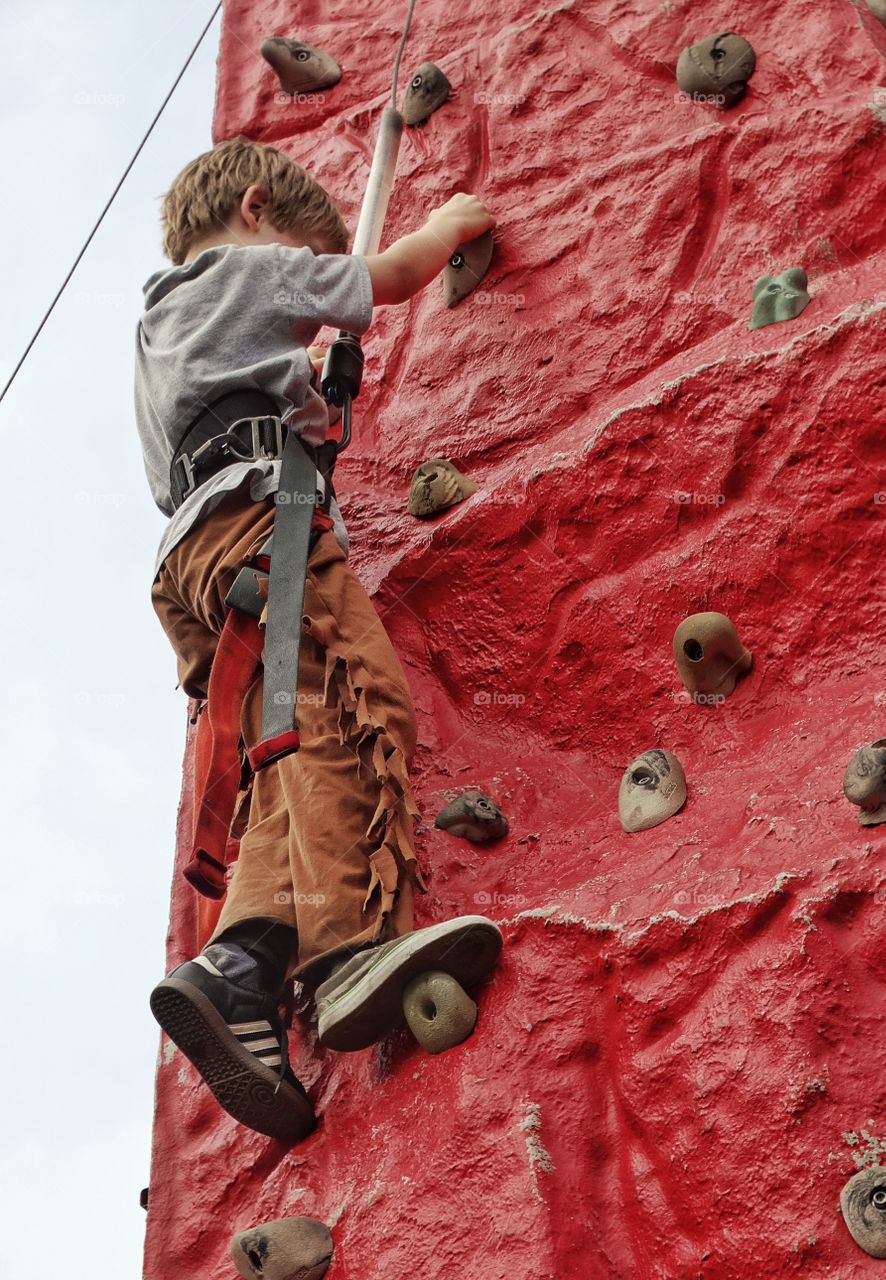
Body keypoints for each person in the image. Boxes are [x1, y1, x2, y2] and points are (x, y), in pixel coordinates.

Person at [135, 137, 503, 1144]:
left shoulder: (162, 326)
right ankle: (347, 949)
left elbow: (256, 400)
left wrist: (316, 399)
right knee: (351, 702)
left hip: (199, 562)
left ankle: (242, 968)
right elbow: (379, 280)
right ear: (256, 211)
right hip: (268, 523)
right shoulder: (251, 269)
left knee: (278, 754)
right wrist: (444, 230)